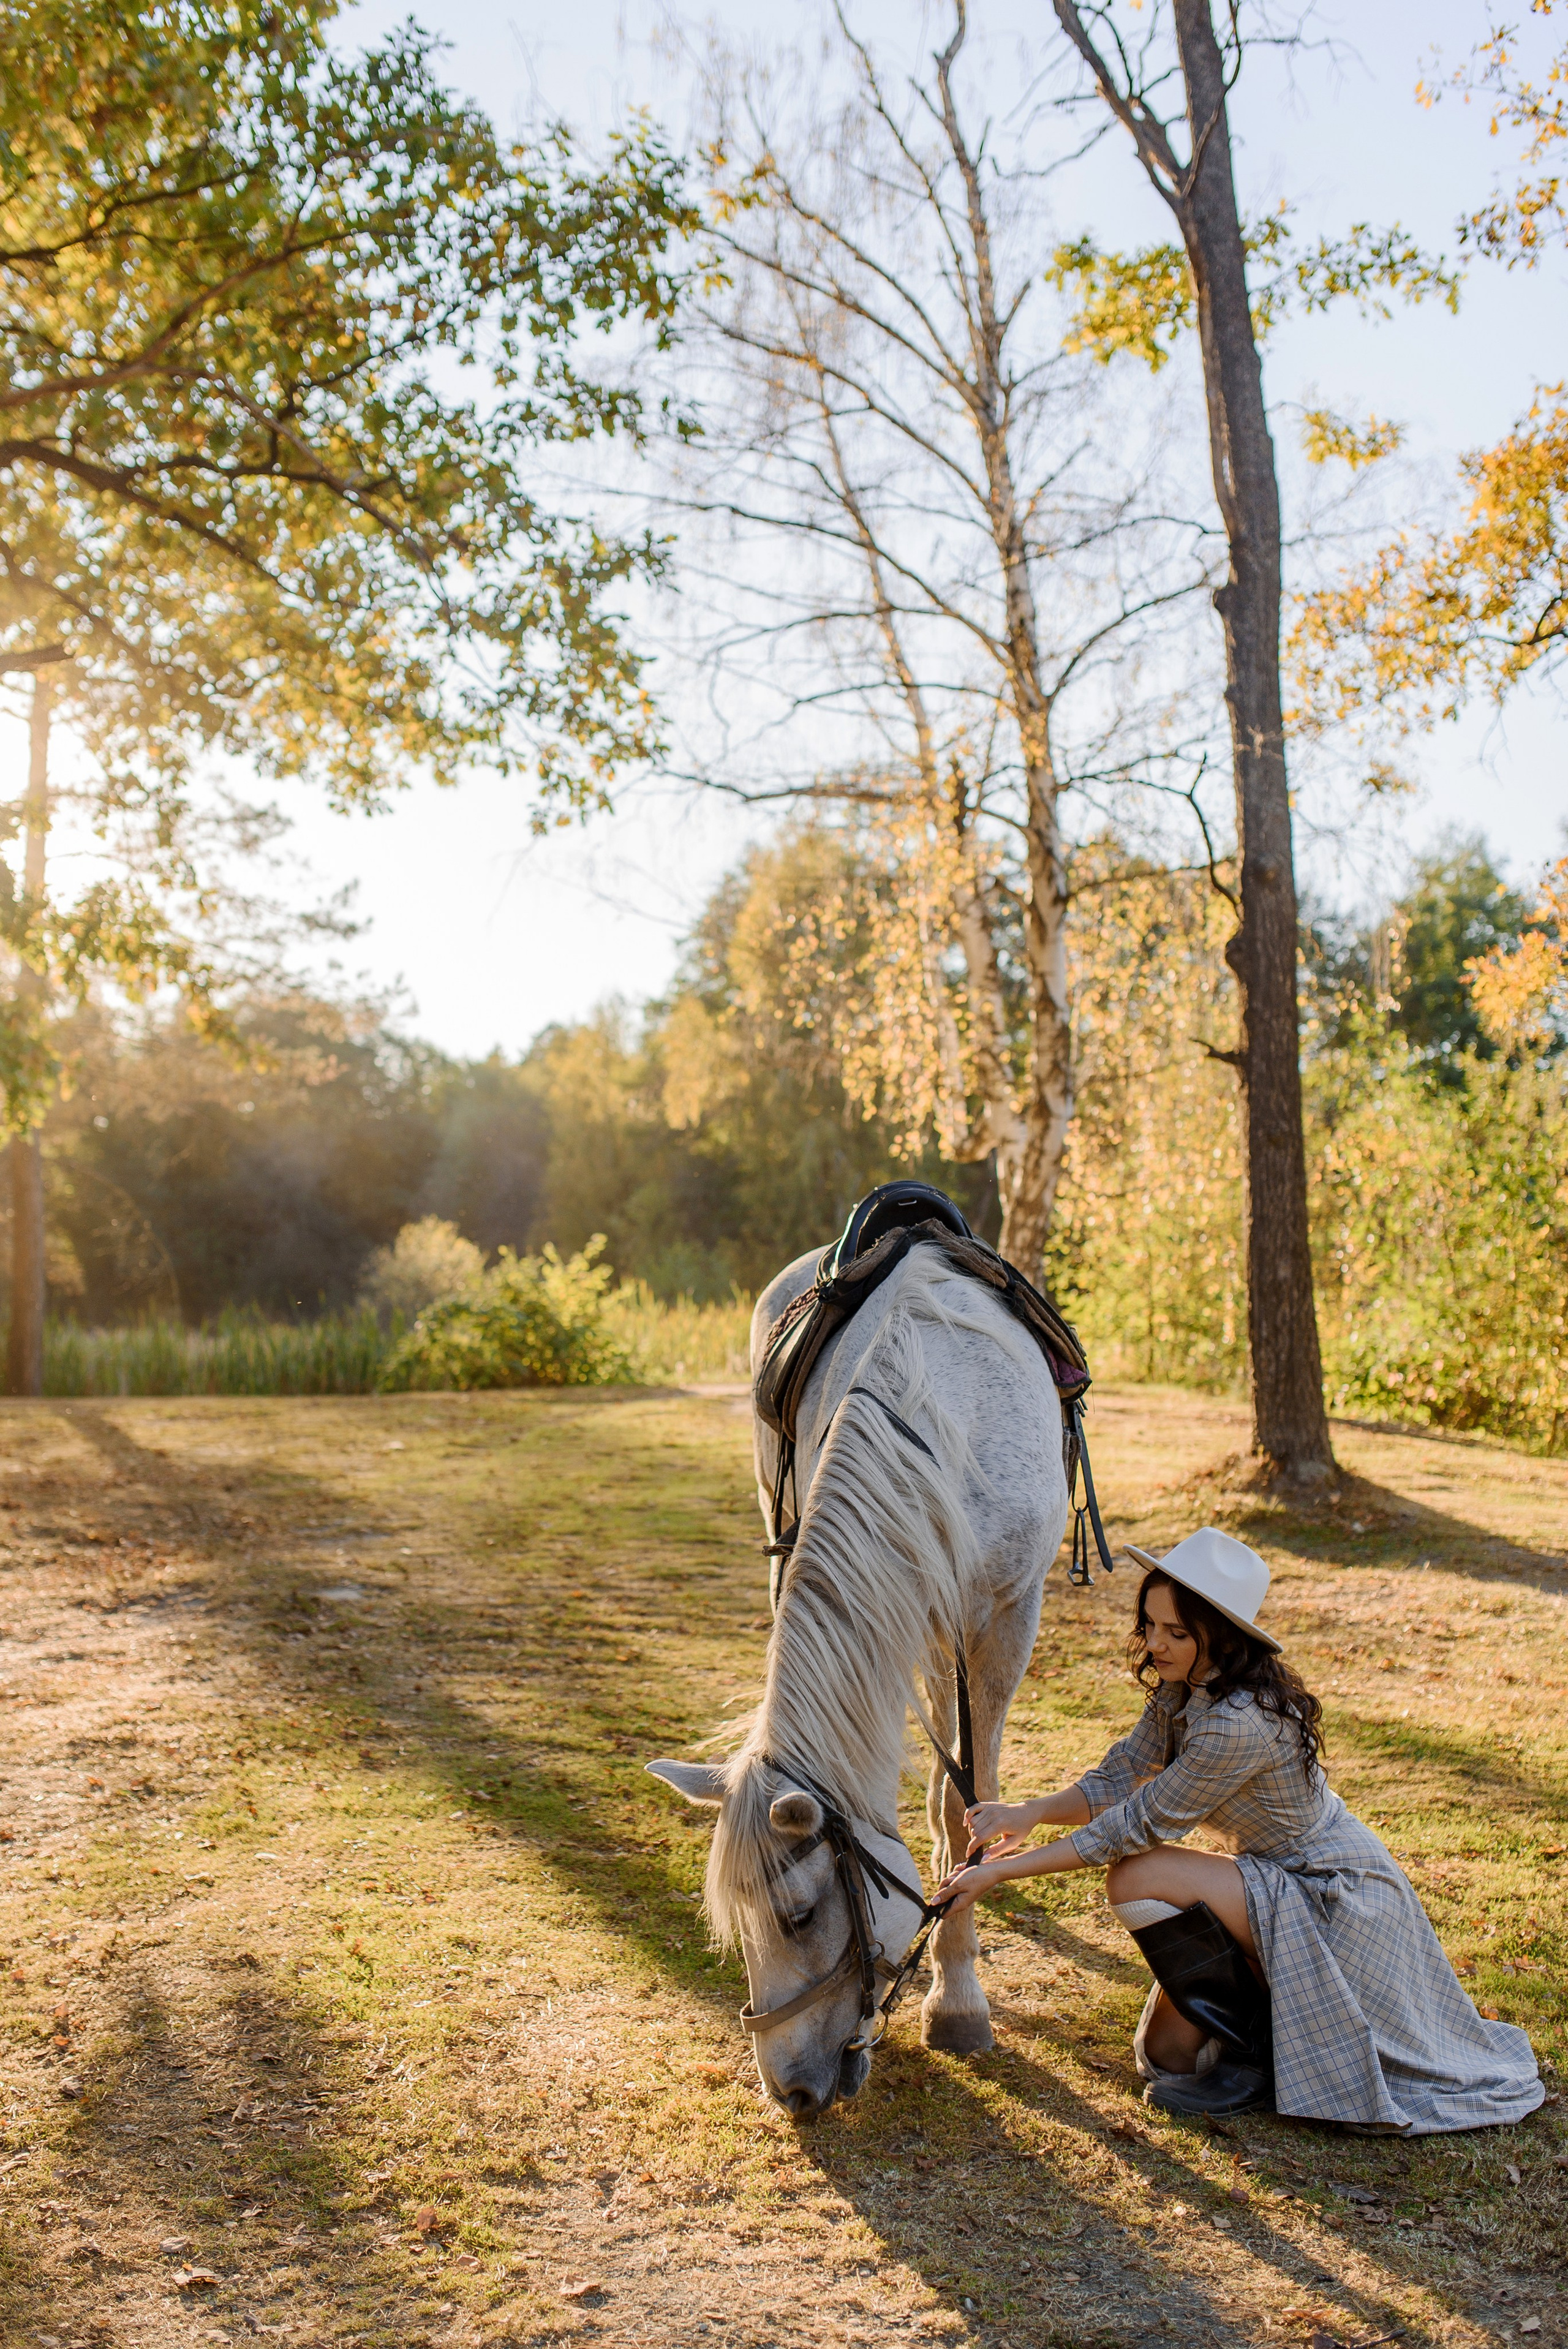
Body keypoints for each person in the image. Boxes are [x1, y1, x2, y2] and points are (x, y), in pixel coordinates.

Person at [934, 1526, 1545, 2132]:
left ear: (1221, 1636)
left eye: (1177, 1632)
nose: (1155, 1643)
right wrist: (1028, 1812)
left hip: (1333, 1893)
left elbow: (1135, 1825)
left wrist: (1001, 1871)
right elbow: (1122, 1772)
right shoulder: (1186, 1686)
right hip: (1275, 1876)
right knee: (1167, 2058)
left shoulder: (1237, 1722)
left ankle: (1256, 2056)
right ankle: (1270, 2034)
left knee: (1137, 1874)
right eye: (1150, 1624)